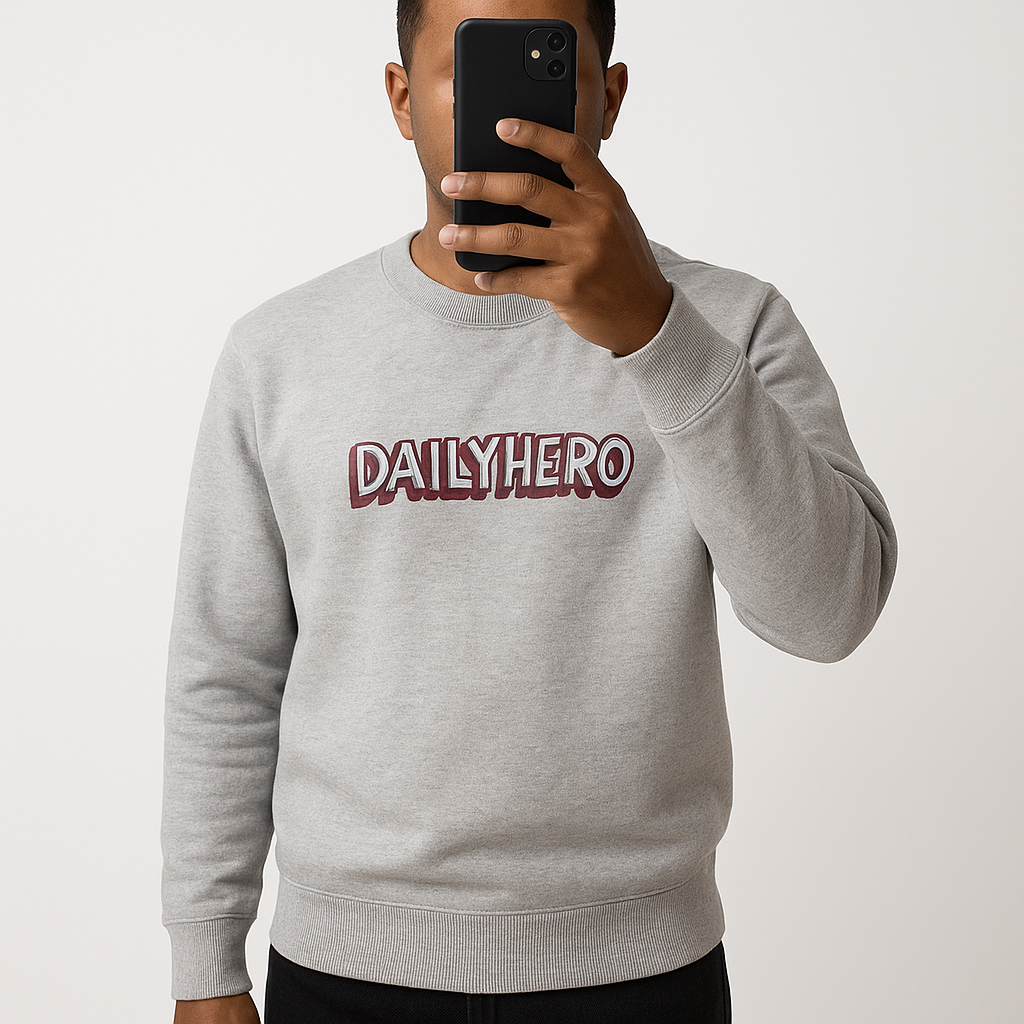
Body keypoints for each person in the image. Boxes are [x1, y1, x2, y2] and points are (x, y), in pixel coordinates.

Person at [161, 0, 898, 1021]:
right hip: (346, 971)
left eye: (545, 67)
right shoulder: (280, 353)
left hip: (641, 973)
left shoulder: (727, 324)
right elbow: (226, 669)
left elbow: (829, 613)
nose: (509, 113)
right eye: (469, 68)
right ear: (400, 99)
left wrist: (655, 337)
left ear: (609, 98)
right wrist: (206, 960)